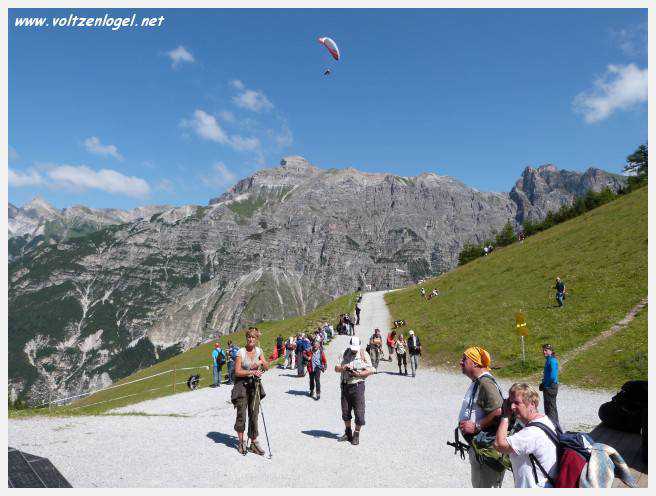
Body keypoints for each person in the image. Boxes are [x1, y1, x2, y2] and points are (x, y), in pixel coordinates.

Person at [494, 383, 558, 487]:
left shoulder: (532, 433)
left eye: (517, 403)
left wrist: (505, 416)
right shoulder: (546, 421)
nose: (512, 407)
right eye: (510, 402)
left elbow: (499, 444)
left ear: (532, 404)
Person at [458, 346, 505, 487]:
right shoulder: (479, 381)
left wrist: (477, 426)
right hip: (480, 450)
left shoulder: (485, 383)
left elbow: (499, 411)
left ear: (476, 363)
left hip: (486, 452)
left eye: (464, 359)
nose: (460, 362)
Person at [232, 328, 269, 455]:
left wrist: (260, 363)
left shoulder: (259, 351)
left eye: (253, 337)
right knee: (241, 413)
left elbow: (266, 366)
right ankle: (241, 442)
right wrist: (251, 371)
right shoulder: (240, 352)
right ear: (246, 338)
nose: (251, 339)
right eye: (249, 337)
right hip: (242, 385)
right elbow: (237, 371)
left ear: (256, 339)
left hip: (255, 385)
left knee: (254, 413)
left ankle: (254, 442)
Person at [334, 336, 376, 445]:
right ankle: (348, 432)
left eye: (355, 348)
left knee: (359, 411)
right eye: (353, 348)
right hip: (345, 386)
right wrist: (343, 368)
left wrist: (360, 374)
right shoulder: (343, 353)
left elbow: (372, 369)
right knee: (345, 411)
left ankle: (356, 434)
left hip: (358, 386)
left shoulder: (363, 354)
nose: (354, 350)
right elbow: (336, 368)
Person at [540, 344, 560, 429]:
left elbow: (552, 376)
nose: (544, 352)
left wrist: (545, 385)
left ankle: (553, 427)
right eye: (543, 350)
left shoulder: (552, 361)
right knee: (549, 407)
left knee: (550, 408)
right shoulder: (549, 360)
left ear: (551, 351)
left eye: (546, 350)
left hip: (550, 387)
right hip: (548, 386)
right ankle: (552, 425)